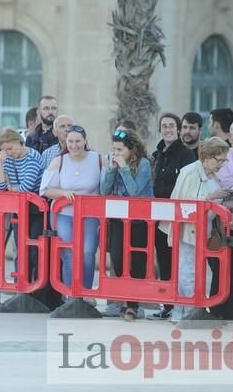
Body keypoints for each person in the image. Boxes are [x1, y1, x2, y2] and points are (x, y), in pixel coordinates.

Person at [165, 137, 230, 322]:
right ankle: (184, 313)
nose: (222, 164)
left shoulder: (213, 175)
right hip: (188, 231)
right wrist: (210, 197)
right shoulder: (190, 172)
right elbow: (183, 202)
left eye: (224, 160)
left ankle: (194, 308)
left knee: (200, 273)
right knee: (186, 272)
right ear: (207, 156)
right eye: (219, 160)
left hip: (205, 232)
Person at [0, 128, 53, 307]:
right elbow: (0, 186)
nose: (10, 153)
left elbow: (26, 187)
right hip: (20, 208)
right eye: (6, 150)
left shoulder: (33, 157)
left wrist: (13, 188)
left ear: (20, 142)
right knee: (22, 250)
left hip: (37, 209)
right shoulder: (8, 159)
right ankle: (23, 287)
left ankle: (36, 291)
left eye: (11, 148)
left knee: (35, 250)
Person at [40, 125, 102, 295]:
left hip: (90, 215)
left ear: (85, 141)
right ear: (65, 142)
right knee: (68, 253)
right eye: (70, 141)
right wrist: (63, 193)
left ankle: (86, 293)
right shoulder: (59, 161)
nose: (74, 145)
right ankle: (70, 294)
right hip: (64, 214)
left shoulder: (97, 159)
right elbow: (44, 190)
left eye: (78, 141)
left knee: (87, 252)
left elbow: (106, 186)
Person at [101, 129, 153, 321]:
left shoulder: (144, 164)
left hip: (140, 220)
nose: (116, 153)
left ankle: (132, 305)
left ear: (131, 149)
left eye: (120, 149)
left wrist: (123, 168)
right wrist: (111, 169)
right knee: (118, 258)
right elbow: (104, 190)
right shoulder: (115, 163)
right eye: (114, 149)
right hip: (118, 218)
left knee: (137, 262)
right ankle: (124, 299)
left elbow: (134, 191)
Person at [149, 113, 195, 320]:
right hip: (159, 214)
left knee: (178, 259)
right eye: (164, 126)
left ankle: (180, 303)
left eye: (171, 126)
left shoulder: (186, 154)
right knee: (164, 259)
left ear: (177, 129)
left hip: (176, 214)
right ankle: (167, 303)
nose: (167, 129)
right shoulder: (157, 154)